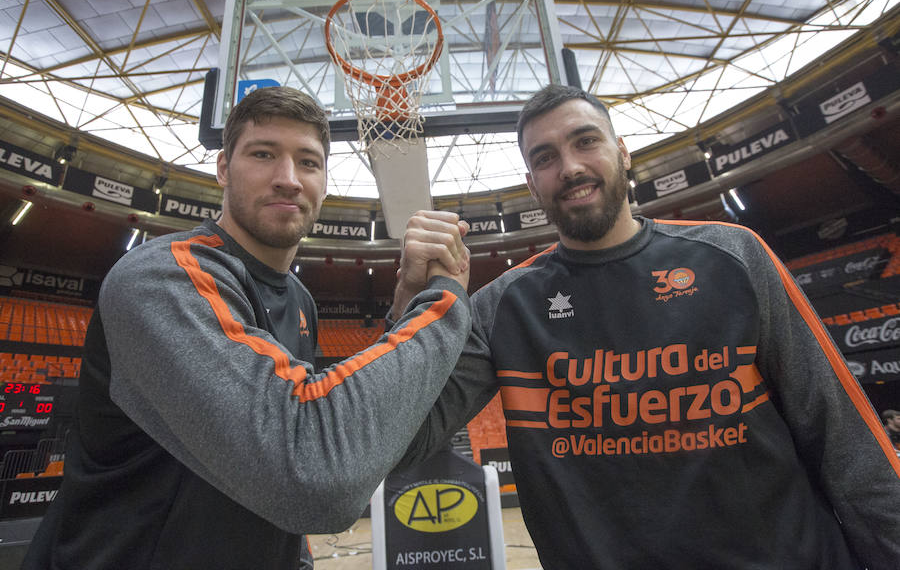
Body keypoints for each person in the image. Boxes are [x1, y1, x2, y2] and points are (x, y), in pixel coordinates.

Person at [392, 84, 900, 568]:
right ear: (531, 184)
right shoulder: (503, 305)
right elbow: (398, 439)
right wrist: (412, 305)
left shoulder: (733, 254)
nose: (569, 167)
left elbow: (844, 439)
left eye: (586, 141)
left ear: (623, 152)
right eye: (544, 158)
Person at [23, 86, 473, 570]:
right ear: (222, 168)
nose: (288, 179)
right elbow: (309, 468)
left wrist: (403, 312)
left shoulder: (299, 301)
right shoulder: (160, 277)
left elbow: (325, 439)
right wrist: (443, 300)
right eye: (263, 154)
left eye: (308, 162)